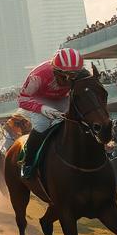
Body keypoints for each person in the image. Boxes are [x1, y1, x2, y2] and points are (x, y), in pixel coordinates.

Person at [17, 49, 88, 179]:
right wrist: (43, 108)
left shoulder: (81, 74)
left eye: (73, 75)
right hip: (39, 99)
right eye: (65, 76)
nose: (69, 80)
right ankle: (28, 162)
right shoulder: (38, 76)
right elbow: (22, 100)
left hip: (63, 98)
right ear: (55, 71)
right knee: (42, 124)